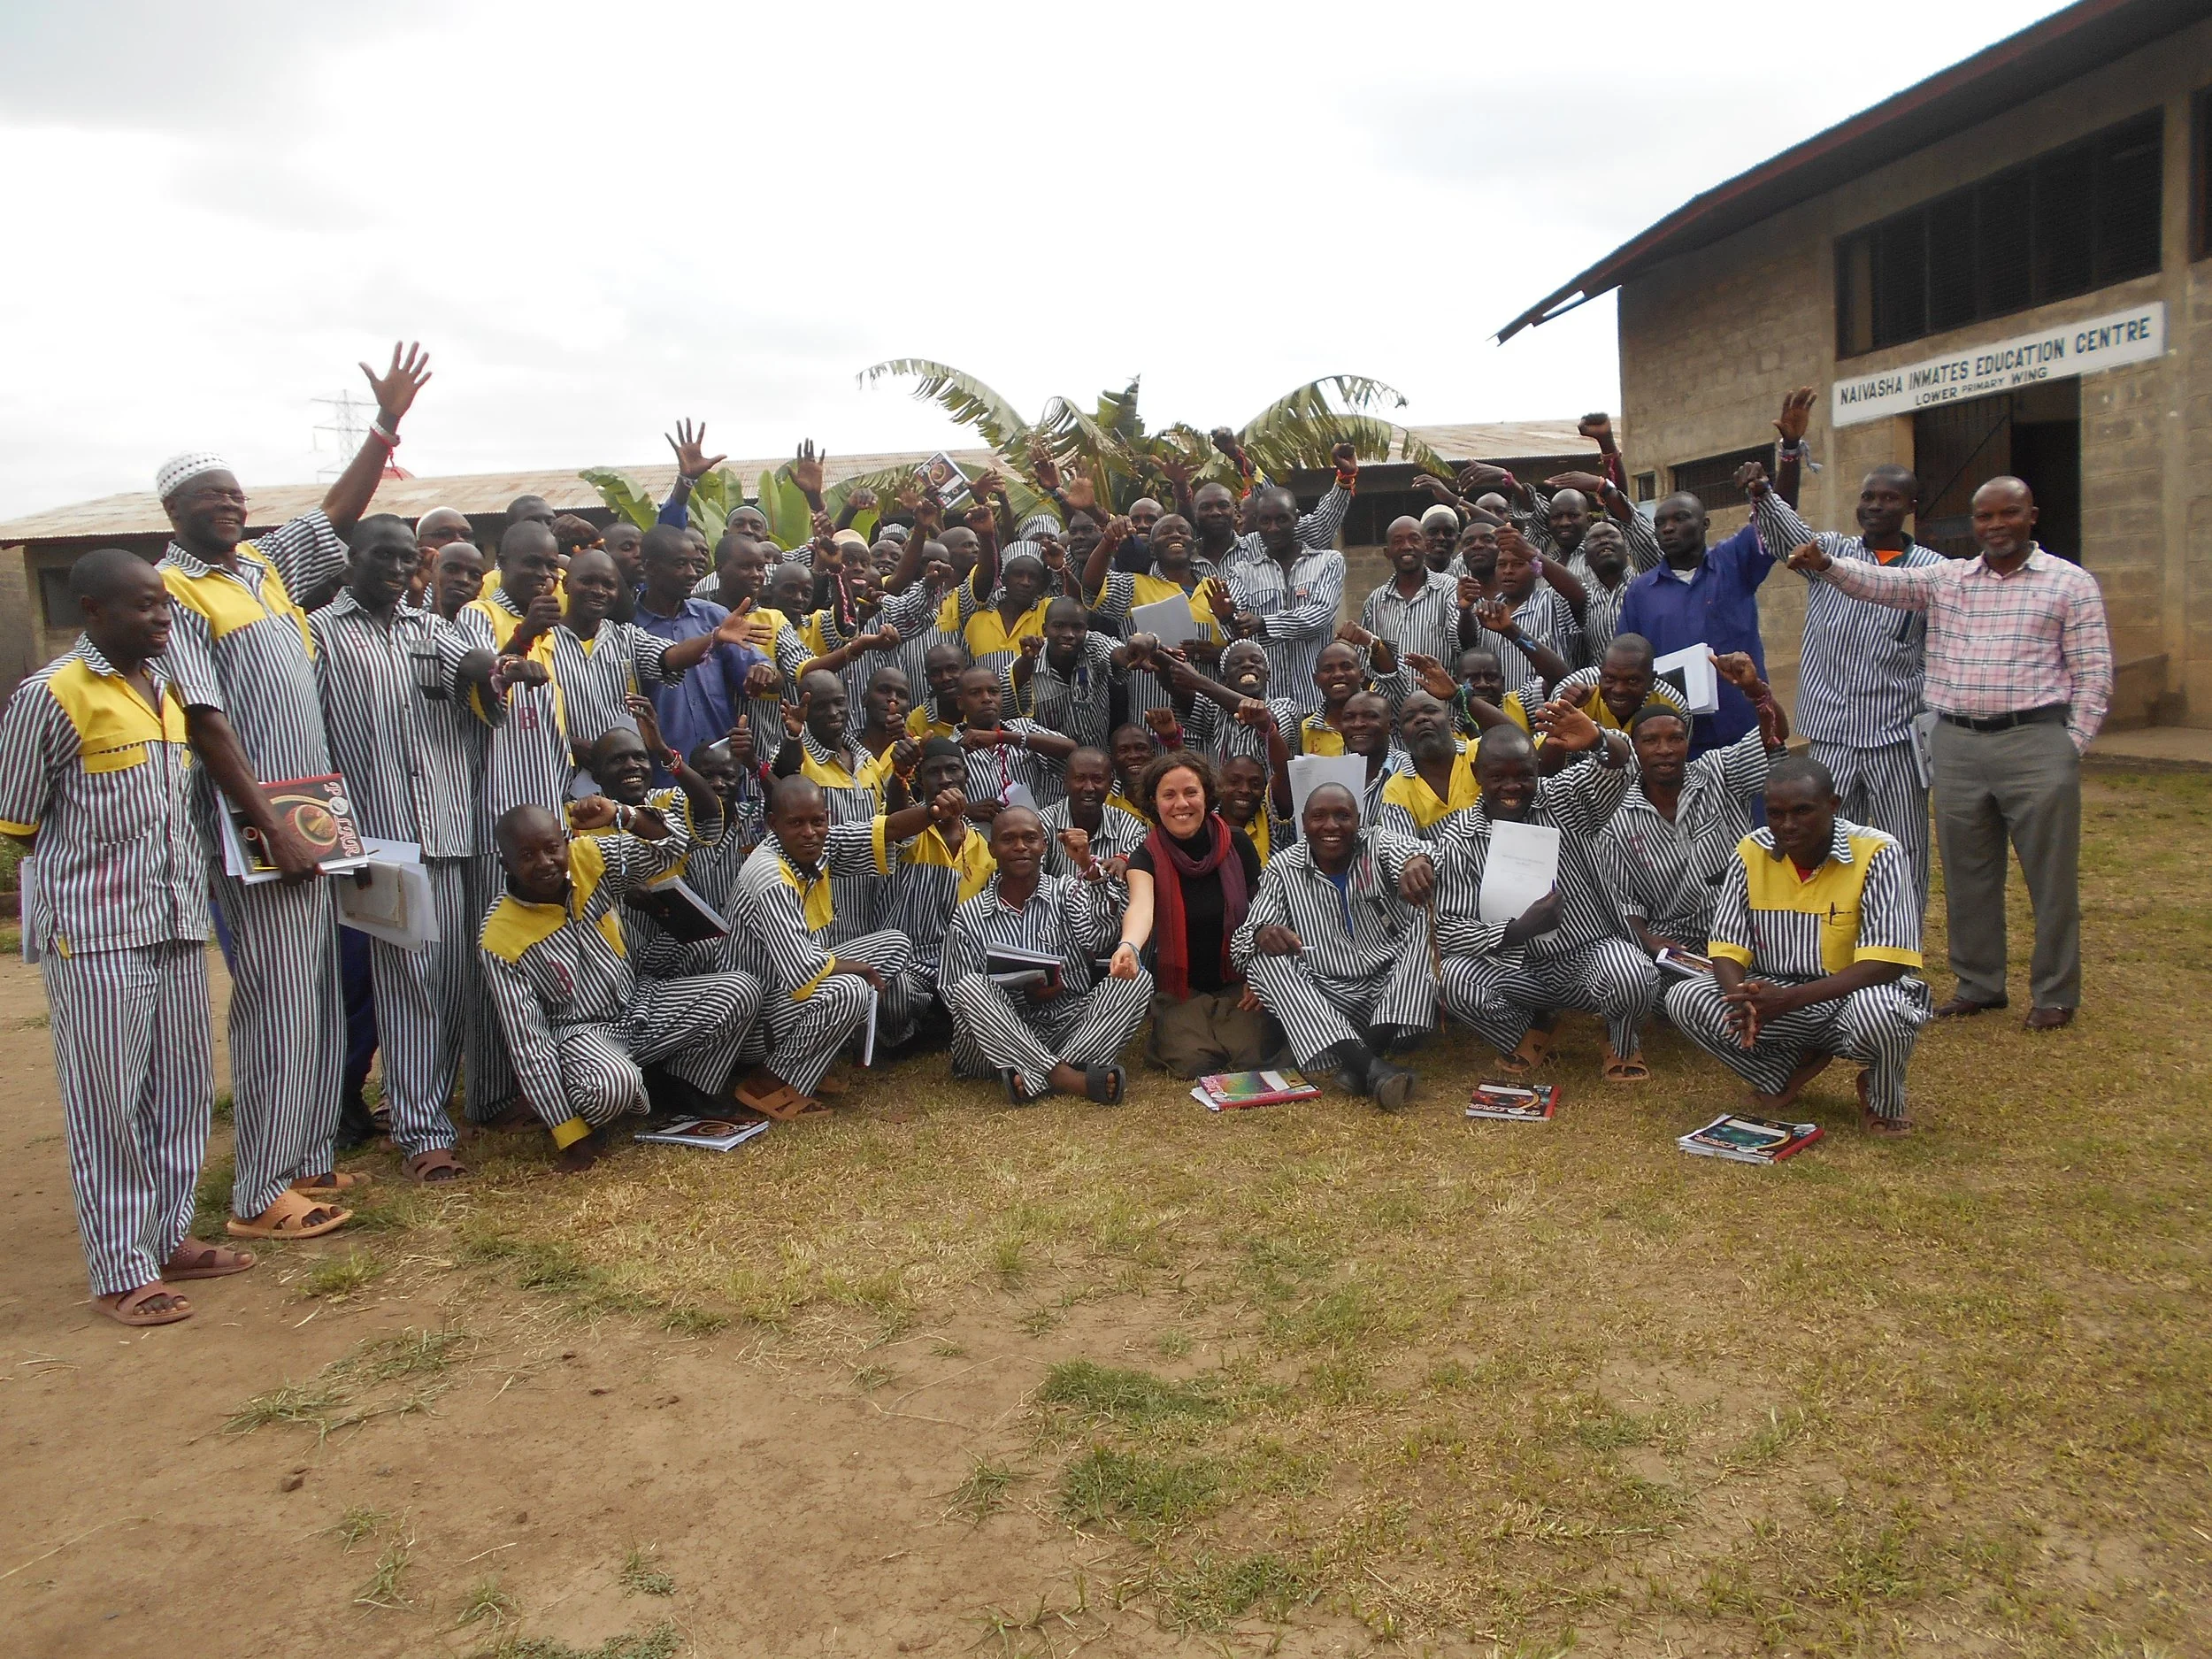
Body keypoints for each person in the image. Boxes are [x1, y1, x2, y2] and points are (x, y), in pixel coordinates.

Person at [157, 342, 428, 1239]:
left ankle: (306, 1155)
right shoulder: (175, 592)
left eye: (236, 496)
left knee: (314, 992)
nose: (230, 506)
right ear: (174, 512)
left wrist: (385, 426)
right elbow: (205, 718)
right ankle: (260, 1191)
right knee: (275, 1000)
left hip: (314, 809)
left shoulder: (262, 571)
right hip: (258, 821)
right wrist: (267, 820)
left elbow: (333, 515)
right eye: (211, 499)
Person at [0, 549, 253, 1325]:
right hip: (96, 933)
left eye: (163, 604)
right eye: (142, 606)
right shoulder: (51, 695)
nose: (160, 617)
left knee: (180, 1091)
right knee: (107, 1103)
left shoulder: (168, 689)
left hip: (175, 923)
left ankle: (167, 1237)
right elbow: (20, 820)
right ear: (92, 611)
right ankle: (119, 1267)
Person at [1786, 476, 2112, 1029]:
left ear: (2032, 516)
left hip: (2034, 743)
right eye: (1985, 516)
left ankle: (2055, 992)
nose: (1996, 525)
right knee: (1967, 874)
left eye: (2009, 513)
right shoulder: (1949, 578)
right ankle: (1979, 984)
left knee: (2049, 878)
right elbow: (1880, 584)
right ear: (1973, 523)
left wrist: (2067, 746)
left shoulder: (2069, 583)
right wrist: (1828, 565)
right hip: (1957, 745)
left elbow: (2095, 674)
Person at [312, 514, 520, 1180]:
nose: (400, 569)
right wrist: (334, 842)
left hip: (454, 828)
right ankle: (421, 1131)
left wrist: (503, 665)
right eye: (385, 556)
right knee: (408, 985)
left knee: (457, 978)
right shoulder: (320, 635)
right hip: (381, 840)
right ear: (351, 559)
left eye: (409, 559)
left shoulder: (431, 632)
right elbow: (308, 741)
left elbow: (478, 676)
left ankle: (456, 1105)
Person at [480, 802, 764, 1168]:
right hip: (583, 1035)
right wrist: (570, 1136)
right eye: (527, 856)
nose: (545, 862)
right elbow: (528, 1043)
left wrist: (623, 815)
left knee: (740, 990)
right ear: (505, 865)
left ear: (566, 842)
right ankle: (608, 1103)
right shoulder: (498, 937)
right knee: (613, 1085)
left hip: (638, 1004)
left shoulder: (587, 857)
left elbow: (671, 848)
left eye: (552, 848)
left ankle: (683, 1087)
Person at [1663, 756, 1931, 1135]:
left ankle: (1883, 1099)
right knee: (1685, 997)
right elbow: (1726, 945)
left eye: (1802, 811)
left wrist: (1790, 1000)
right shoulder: (1752, 850)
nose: (1787, 825)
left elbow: (1888, 962)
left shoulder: (1878, 852)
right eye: (1775, 814)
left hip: (1853, 996)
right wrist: (1742, 1000)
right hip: (1776, 995)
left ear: (1833, 805)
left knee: (1881, 1014)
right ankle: (1784, 1072)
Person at [1751, 465, 1945, 905]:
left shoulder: (1933, 570)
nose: (1875, 506)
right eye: (1868, 496)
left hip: (1896, 736)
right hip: (1832, 733)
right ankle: (1831, 931)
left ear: (1911, 507)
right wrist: (1763, 492)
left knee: (1903, 847)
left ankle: (1900, 937)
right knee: (1826, 842)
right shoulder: (1832, 551)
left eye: (1889, 498)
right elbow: (1787, 537)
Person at [1432, 707, 1655, 1083]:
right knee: (1449, 979)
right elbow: (1448, 929)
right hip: (1516, 967)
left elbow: (1620, 770)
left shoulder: (1563, 800)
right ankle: (1532, 1028)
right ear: (1476, 774)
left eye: (1524, 775)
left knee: (1633, 976)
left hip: (1588, 955)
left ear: (1537, 769)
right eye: (1497, 777)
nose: (1512, 787)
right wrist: (1516, 931)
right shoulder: (1459, 836)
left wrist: (1600, 740)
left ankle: (1620, 1040)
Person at [730, 776, 948, 1115]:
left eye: (817, 821)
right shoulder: (769, 875)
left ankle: (805, 1068)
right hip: (758, 1018)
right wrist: (860, 969)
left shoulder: (817, 846)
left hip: (788, 992)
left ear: (826, 819)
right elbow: (802, 970)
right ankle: (766, 1083)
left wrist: (933, 812)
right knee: (852, 990)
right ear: (773, 824)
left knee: (894, 945)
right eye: (796, 823)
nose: (809, 832)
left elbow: (888, 830)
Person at [1230, 784, 1437, 1110]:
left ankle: (1361, 1061)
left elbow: (1421, 852)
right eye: (1319, 817)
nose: (1331, 826)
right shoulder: (1283, 868)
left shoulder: (1376, 843)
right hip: (1328, 1002)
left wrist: (1417, 861)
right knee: (1263, 961)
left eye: (1343, 816)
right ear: (1303, 822)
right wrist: (1262, 933)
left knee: (1433, 923)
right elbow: (1241, 944)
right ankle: (1370, 1066)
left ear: (1359, 820)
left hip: (1391, 998)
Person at [940, 805, 1152, 1103]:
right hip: (997, 1041)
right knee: (969, 986)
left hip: (1069, 1025)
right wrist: (1019, 998)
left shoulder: (1067, 891)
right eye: (1008, 839)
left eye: (1030, 838)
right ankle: (1068, 1077)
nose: (1020, 847)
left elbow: (1100, 935)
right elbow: (952, 994)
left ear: (1045, 846)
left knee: (1136, 978)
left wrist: (1088, 867)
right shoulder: (969, 916)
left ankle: (1036, 1074)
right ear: (992, 849)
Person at [1594, 658, 1790, 961]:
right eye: (1651, 741)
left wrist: (1756, 692)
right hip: (1678, 940)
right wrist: (1647, 940)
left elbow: (1773, 736)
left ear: (1687, 743)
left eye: (1675, 738)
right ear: (1635, 748)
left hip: (1746, 923)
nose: (1664, 750)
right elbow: (1624, 899)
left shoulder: (1719, 771)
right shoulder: (1616, 815)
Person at [1108, 751, 1273, 1076]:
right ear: (1154, 802)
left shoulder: (1238, 843)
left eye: (1190, 792)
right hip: (1181, 988)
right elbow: (1141, 907)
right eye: (1169, 795)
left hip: (1237, 980)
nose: (1181, 804)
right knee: (1195, 1061)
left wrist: (1262, 975)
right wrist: (1128, 945)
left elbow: (1264, 912)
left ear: (1207, 796)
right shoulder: (1146, 856)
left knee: (1250, 1056)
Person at [1616, 462, 1778, 756]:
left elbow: (1777, 524)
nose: (1668, 528)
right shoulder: (1639, 593)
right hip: (1678, 736)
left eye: (1680, 519)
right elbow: (1627, 663)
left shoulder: (1734, 562)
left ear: (1705, 524)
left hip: (1744, 725)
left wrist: (1777, 472)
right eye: (1660, 523)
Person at [549, 545, 757, 757]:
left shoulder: (626, 636)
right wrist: (579, 747)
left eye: (608, 585)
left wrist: (715, 637)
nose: (599, 591)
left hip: (627, 769)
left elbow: (670, 656)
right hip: (567, 770)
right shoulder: (544, 642)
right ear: (566, 585)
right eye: (587, 581)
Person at [633, 520, 772, 780]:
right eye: (680, 564)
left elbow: (763, 668)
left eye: (694, 564)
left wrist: (764, 669)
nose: (691, 573)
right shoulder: (628, 628)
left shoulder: (714, 615)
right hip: (664, 778)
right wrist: (714, 639)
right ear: (650, 568)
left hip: (724, 773)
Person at [881, 739, 995, 1044]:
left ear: (966, 775)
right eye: (933, 772)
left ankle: (937, 1022)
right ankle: (923, 1027)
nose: (944, 779)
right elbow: (894, 820)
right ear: (920, 781)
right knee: (893, 992)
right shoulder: (910, 829)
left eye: (952, 769)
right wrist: (899, 776)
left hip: (958, 964)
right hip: (908, 964)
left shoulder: (984, 847)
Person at [771, 668, 895, 940]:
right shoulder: (798, 755)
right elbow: (783, 775)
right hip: (824, 910)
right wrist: (794, 737)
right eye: (820, 706)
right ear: (805, 710)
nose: (833, 712)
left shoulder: (867, 762)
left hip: (869, 905)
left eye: (839, 702)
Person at [1004, 595, 1142, 752]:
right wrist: (1026, 662)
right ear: (1044, 630)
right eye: (1059, 626)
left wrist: (1134, 651)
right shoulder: (1027, 664)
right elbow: (1005, 707)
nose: (1069, 634)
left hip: (1097, 760)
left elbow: (1117, 653)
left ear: (1086, 630)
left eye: (1077, 627)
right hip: (1051, 766)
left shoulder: (1092, 645)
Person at [950, 664, 1077, 815]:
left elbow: (1071, 750)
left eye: (994, 692)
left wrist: (1001, 737)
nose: (987, 698)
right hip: (981, 830)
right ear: (960, 703)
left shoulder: (1023, 727)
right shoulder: (951, 749)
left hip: (1034, 827)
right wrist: (965, 810)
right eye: (975, 693)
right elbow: (936, 804)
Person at [1360, 517, 1463, 668]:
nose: (1407, 546)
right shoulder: (1375, 601)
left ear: (1426, 547)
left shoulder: (1449, 588)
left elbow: (1463, 643)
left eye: (1414, 539)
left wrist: (1466, 610)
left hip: (1439, 685)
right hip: (1391, 685)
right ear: (1387, 553)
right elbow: (1367, 661)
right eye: (1398, 541)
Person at [1378, 692, 1478, 841]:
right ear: (1401, 736)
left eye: (1431, 711)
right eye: (1409, 718)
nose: (1421, 719)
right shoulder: (1396, 789)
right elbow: (1406, 847)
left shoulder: (1478, 752)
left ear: (1451, 724)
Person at [1543, 634, 1688, 735]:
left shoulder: (1672, 703)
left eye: (1632, 681)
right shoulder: (1573, 692)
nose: (1619, 690)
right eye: (1609, 678)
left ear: (1651, 680)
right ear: (1600, 673)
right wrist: (1566, 712)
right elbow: (1543, 760)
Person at [1039, 746, 1148, 879]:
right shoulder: (1042, 825)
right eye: (1080, 778)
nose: (1089, 788)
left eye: (1098, 779)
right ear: (1065, 782)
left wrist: (1092, 869)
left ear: (1110, 784)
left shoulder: (1128, 826)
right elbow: (1035, 883)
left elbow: (1125, 888)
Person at [429, 537, 486, 620]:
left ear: (481, 586)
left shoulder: (489, 624)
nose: (464, 580)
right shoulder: (411, 619)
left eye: (475, 576)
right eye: (451, 569)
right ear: (431, 571)